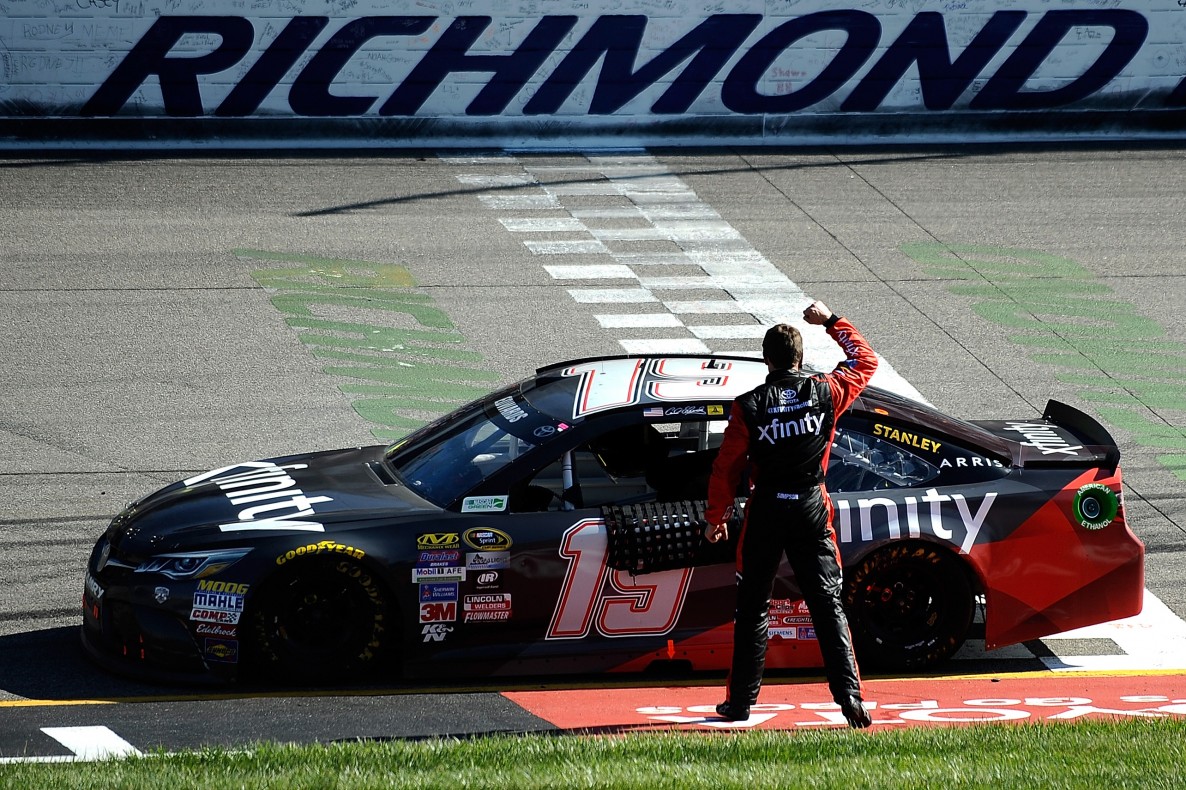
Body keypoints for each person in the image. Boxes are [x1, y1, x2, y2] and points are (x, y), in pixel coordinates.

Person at [704, 300, 877, 729]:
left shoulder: (748, 405)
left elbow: (726, 466)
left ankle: (740, 703)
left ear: (767, 361)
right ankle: (850, 698)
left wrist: (715, 517)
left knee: (753, 607)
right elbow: (865, 360)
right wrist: (832, 321)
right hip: (812, 507)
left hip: (767, 509)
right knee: (827, 604)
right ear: (799, 359)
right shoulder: (826, 390)